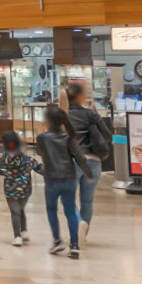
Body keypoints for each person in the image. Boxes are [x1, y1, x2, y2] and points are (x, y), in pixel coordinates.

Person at [36, 108, 93, 259]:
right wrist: (88, 173)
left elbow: (40, 153)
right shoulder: (69, 137)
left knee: (51, 210)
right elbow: (80, 157)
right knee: (69, 211)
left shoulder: (42, 138)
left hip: (51, 179)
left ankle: (57, 241)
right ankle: (74, 246)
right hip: (68, 178)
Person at [63, 81, 112, 244]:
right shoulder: (91, 114)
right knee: (87, 200)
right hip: (93, 162)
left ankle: (78, 223)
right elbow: (107, 135)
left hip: (72, 161)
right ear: (80, 96)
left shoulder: (62, 115)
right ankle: (82, 235)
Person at [0, 131, 41, 246]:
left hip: (11, 189)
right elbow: (38, 167)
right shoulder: (26, 158)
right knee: (21, 209)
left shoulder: (5, 158)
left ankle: (17, 237)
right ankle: (24, 231)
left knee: (15, 213)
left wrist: (9, 173)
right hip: (25, 189)